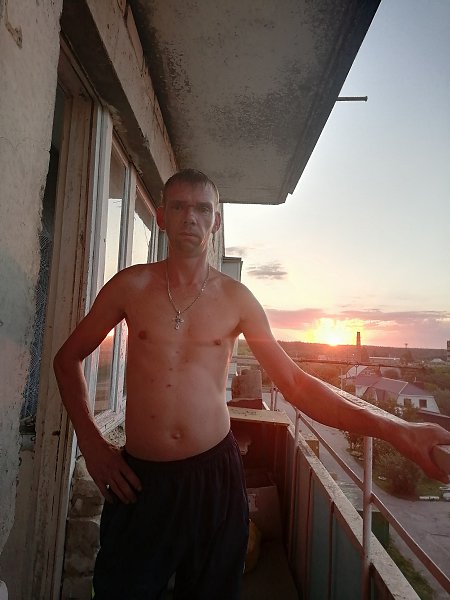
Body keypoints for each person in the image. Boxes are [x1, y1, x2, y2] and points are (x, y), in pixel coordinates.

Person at [54, 168, 450, 599]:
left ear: (216, 221)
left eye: (203, 209)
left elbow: (295, 384)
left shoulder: (237, 300)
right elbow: (66, 360)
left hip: (215, 478)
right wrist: (92, 445)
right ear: (162, 216)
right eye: (180, 207)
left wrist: (398, 430)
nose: (191, 217)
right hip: (141, 480)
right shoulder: (131, 286)